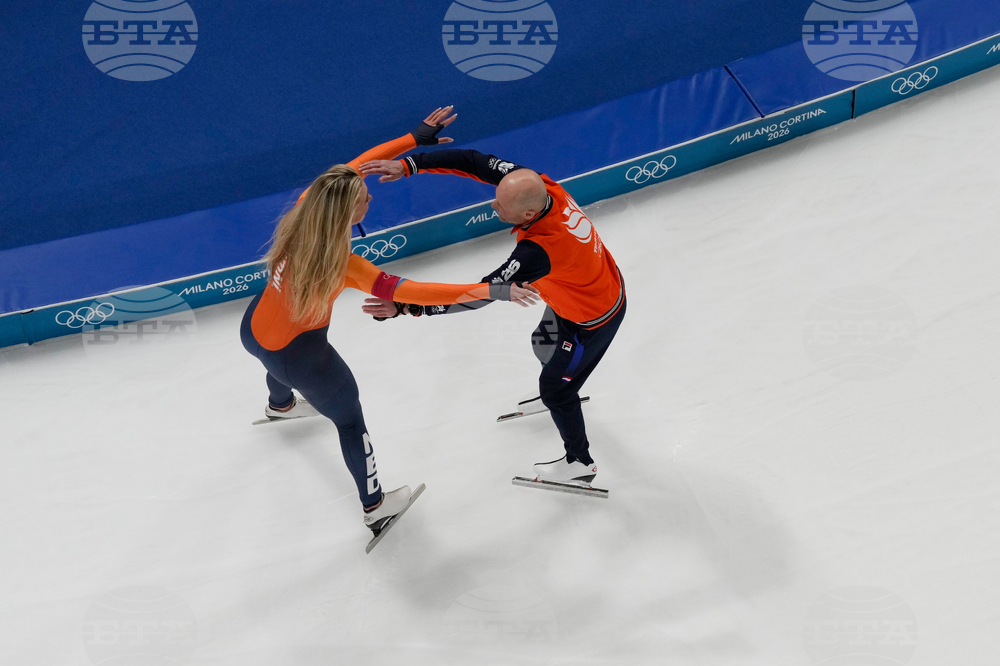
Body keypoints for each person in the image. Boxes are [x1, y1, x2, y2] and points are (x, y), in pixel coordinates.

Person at [240, 108, 539, 536]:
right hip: (298, 358)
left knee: (275, 362)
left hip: (253, 330)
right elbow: (415, 292)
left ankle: (280, 405)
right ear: (347, 214)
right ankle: (376, 506)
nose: (371, 199)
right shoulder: (345, 264)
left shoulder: (307, 206)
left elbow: (356, 166)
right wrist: (489, 290)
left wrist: (413, 139)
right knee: (349, 420)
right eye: (365, 199)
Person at [359, 147, 625, 488]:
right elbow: (472, 161)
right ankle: (562, 386)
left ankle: (580, 462)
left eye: (501, 205)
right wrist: (410, 164)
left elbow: (479, 295)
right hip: (583, 290)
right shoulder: (542, 186)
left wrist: (406, 307)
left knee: (555, 392)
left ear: (527, 213)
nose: (493, 205)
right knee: (541, 343)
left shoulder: (537, 251)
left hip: (592, 321)